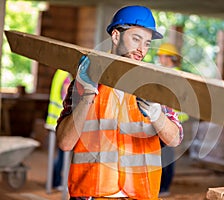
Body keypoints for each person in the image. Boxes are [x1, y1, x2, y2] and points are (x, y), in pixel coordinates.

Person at [56, 5, 183, 200]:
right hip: (90, 193)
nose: (142, 49)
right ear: (116, 36)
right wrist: (88, 95)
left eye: (147, 43)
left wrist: (157, 114)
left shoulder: (156, 87)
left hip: (140, 194)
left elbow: (174, 139)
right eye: (136, 39)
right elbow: (65, 143)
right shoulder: (85, 83)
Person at [156, 43, 189, 197]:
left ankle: (164, 187)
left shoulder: (174, 75)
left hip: (171, 121)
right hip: (168, 119)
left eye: (161, 55)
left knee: (166, 156)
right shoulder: (169, 74)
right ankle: (163, 186)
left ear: (169, 57)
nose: (159, 59)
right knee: (165, 154)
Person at [44, 69, 72, 190]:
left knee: (59, 154)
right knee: (62, 154)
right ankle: (56, 181)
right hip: (60, 119)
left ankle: (54, 181)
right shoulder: (66, 75)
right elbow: (66, 95)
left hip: (53, 118)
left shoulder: (59, 73)